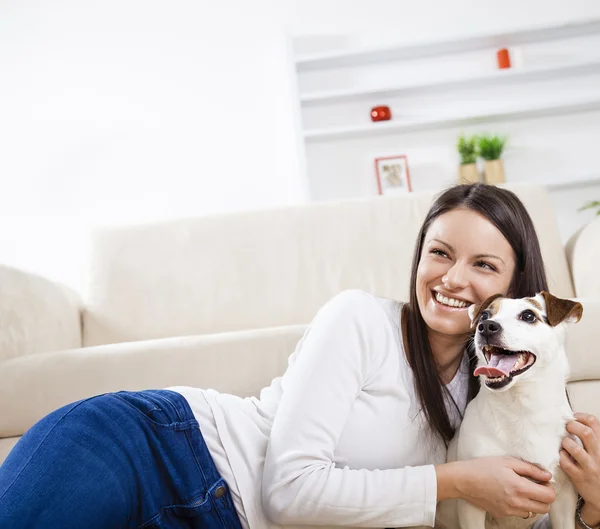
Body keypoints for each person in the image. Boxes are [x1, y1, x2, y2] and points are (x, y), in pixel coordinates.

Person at [1, 183, 599, 529]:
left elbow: (522, 512)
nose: (452, 279)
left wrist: (593, 505)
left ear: (522, 294)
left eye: (485, 266)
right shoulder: (360, 318)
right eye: (439, 253)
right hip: (153, 448)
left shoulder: (498, 397)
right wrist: (453, 480)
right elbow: (287, 492)